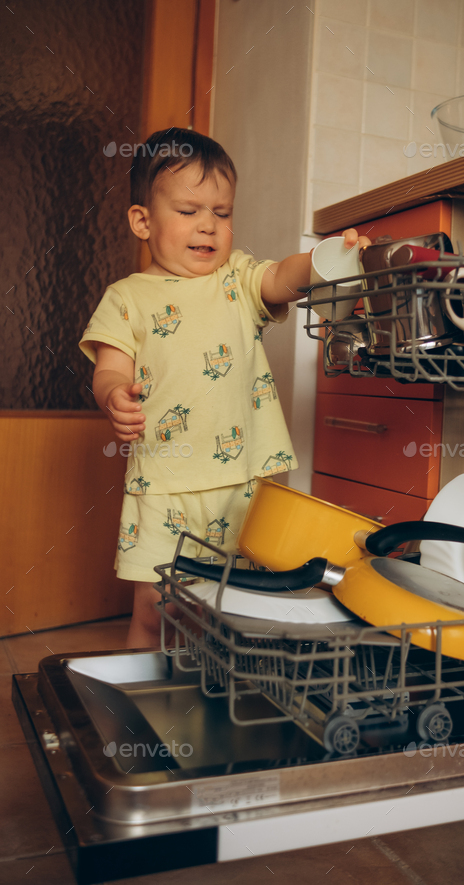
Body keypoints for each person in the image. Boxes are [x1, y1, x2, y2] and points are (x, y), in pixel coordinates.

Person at [79, 127, 369, 649]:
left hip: (245, 483)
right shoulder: (126, 298)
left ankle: (209, 700)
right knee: (155, 609)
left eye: (223, 213)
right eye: (189, 211)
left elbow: (284, 277)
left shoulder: (235, 278)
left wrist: (331, 258)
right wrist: (114, 394)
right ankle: (142, 704)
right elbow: (110, 367)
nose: (208, 227)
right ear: (143, 221)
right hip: (164, 483)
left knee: (233, 610)